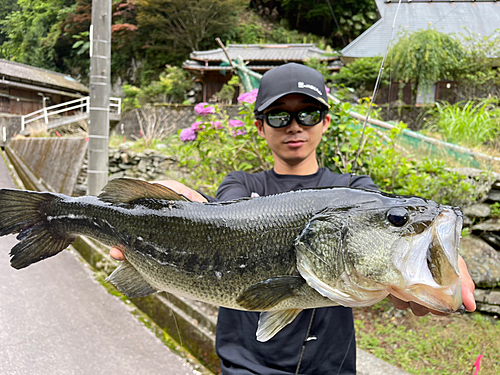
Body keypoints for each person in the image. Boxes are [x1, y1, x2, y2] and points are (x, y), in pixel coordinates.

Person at [110, 63, 476, 374]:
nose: (295, 126)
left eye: (308, 113)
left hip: (330, 366)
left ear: (326, 121)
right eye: (280, 115)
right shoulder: (240, 184)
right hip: (244, 365)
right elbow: (220, 221)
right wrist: (171, 204)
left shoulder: (357, 192)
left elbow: (393, 229)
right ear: (260, 126)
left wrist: (436, 259)